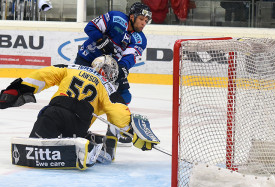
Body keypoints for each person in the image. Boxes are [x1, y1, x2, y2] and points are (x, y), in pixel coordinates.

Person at [0, 55, 159, 170]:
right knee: (76, 135)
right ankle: (80, 145)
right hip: (77, 124)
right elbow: (118, 111)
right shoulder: (107, 86)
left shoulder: (70, 68)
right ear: (111, 74)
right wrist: (131, 130)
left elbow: (42, 75)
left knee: (37, 139)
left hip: (53, 113)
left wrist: (19, 89)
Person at [74, 2, 152, 105]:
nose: (143, 23)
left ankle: (113, 114)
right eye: (141, 19)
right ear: (132, 17)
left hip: (108, 68)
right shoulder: (116, 18)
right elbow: (90, 27)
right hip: (86, 58)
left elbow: (130, 57)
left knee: (125, 96)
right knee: (79, 90)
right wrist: (101, 40)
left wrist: (122, 67)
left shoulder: (140, 40)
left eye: (146, 21)